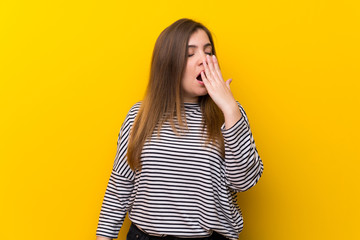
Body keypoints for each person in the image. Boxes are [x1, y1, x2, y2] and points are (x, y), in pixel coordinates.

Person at [96, 18, 264, 240]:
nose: (204, 60)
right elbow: (120, 189)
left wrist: (231, 110)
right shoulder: (139, 116)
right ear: (169, 63)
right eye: (190, 53)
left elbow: (244, 181)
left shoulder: (230, 114)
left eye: (208, 52)